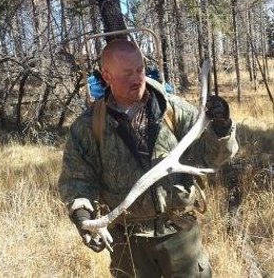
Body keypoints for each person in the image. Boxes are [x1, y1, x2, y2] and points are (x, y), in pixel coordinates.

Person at [58, 39, 238, 277]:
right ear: (107, 75)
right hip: (129, 243)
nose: (137, 79)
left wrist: (222, 127)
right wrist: (83, 217)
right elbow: (76, 182)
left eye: (140, 70)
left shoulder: (173, 110)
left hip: (180, 233)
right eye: (126, 73)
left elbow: (209, 158)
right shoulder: (88, 126)